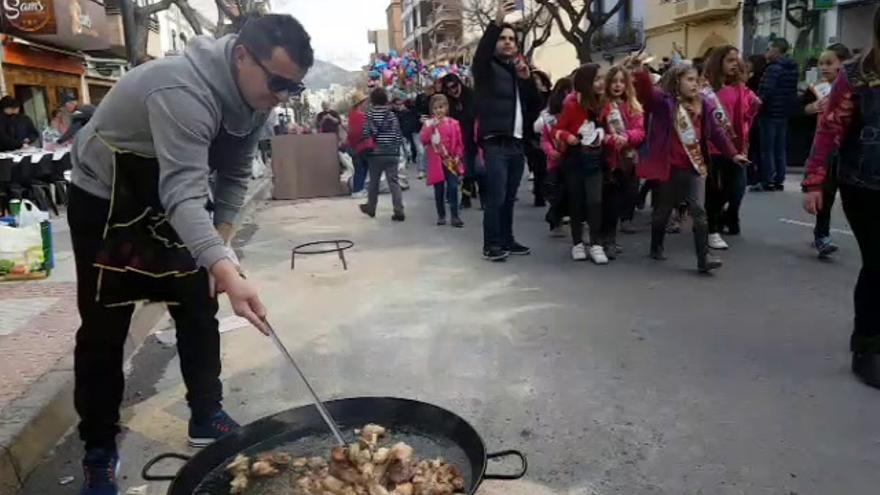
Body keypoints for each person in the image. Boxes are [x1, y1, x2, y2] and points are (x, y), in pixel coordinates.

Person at [67, 14, 313, 495]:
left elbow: (234, 175)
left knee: (199, 304)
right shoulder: (181, 87)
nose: (283, 96)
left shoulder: (256, 98)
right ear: (242, 55)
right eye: (278, 82)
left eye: (293, 88)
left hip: (173, 194)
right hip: (108, 197)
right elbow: (181, 192)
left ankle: (207, 413)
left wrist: (220, 260)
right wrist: (222, 263)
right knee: (103, 327)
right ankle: (98, 450)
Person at [803, 7, 880, 389]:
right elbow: (829, 130)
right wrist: (814, 182)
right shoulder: (856, 75)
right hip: (864, 186)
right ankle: (866, 348)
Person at [633, 58, 749, 273]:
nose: (695, 84)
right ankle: (656, 245)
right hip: (670, 167)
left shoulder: (704, 104)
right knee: (663, 211)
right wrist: (641, 72)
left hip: (695, 166)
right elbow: (647, 94)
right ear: (677, 81)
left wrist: (733, 155)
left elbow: (716, 133)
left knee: (699, 210)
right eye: (689, 79)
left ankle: (703, 258)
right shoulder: (665, 104)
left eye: (697, 80)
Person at [473, 0, 542, 262]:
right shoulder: (486, 69)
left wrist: (527, 81)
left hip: (516, 143)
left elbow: (535, 105)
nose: (508, 42)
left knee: (510, 197)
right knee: (497, 196)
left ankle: (507, 239)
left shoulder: (517, 71)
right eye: (502, 38)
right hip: (496, 142)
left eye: (512, 38)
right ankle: (491, 244)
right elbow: (481, 54)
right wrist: (496, 22)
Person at [702, 45, 761, 249]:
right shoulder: (707, 89)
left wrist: (754, 104)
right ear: (719, 63)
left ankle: (724, 216)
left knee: (736, 189)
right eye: (730, 60)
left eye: (737, 60)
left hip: (736, 147)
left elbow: (749, 111)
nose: (735, 64)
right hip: (712, 148)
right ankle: (712, 226)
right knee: (715, 190)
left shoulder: (741, 87)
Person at [552, 64, 608, 264]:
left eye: (602, 78)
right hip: (575, 159)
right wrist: (568, 137)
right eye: (596, 79)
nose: (602, 83)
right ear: (586, 82)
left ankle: (596, 243)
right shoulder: (572, 105)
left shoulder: (606, 105)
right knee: (576, 200)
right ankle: (577, 243)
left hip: (596, 159)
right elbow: (556, 130)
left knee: (595, 201)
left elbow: (613, 128)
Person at [802, 43, 851, 259]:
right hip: (824, 150)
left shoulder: (854, 88)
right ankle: (821, 235)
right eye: (821, 63)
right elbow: (800, 108)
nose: (824, 67)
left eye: (829, 63)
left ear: (842, 64)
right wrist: (813, 108)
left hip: (849, 149)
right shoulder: (817, 88)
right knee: (826, 193)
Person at [599, 65, 646, 257]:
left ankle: (610, 237)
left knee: (623, 200)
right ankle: (606, 240)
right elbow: (595, 131)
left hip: (627, 161)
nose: (618, 85)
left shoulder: (633, 106)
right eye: (614, 81)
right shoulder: (602, 104)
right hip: (608, 161)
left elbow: (640, 131)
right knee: (608, 203)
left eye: (621, 81)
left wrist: (627, 137)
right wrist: (610, 139)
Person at [756, 38, 799, 191]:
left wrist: (756, 104)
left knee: (767, 149)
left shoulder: (773, 68)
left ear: (776, 50)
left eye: (769, 49)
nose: (766, 52)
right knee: (780, 148)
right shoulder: (793, 67)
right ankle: (779, 178)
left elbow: (766, 90)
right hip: (784, 113)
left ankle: (767, 180)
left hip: (769, 113)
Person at [359, 87, 405, 221]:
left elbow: (366, 133)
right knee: (394, 182)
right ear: (385, 100)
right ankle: (399, 211)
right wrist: (396, 149)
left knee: (374, 182)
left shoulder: (369, 114)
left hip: (375, 154)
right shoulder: (391, 115)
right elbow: (398, 134)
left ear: (373, 100)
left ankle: (371, 208)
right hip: (391, 153)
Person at [534, 77, 572, 236]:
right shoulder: (548, 116)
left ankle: (556, 217)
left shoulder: (574, 113)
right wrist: (551, 152)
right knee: (558, 192)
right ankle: (554, 219)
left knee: (568, 192)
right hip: (555, 162)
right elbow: (543, 138)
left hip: (571, 159)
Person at [421, 94, 465, 227]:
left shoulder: (453, 123)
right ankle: (441, 215)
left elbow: (459, 142)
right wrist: (430, 127)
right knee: (439, 189)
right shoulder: (429, 124)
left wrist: (458, 154)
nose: (439, 110)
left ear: (446, 108)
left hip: (450, 160)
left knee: (453, 187)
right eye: (435, 108)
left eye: (441, 107)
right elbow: (423, 140)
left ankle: (455, 216)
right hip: (436, 162)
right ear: (432, 110)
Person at [442, 73, 484, 209]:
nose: (453, 90)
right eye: (449, 89)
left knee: (480, 172)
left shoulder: (471, 96)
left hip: (476, 139)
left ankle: (484, 199)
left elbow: (479, 117)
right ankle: (466, 198)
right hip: (460, 141)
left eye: (454, 86)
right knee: (466, 173)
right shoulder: (448, 102)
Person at [526, 70, 552, 207]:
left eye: (537, 78)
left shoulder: (551, 95)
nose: (535, 80)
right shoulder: (529, 96)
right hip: (534, 133)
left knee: (547, 166)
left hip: (549, 131)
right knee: (538, 165)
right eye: (532, 78)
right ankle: (540, 194)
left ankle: (544, 190)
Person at [346, 90, 371, 199]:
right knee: (361, 168)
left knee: (361, 168)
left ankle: (359, 189)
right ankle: (358, 190)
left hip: (355, 147)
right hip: (360, 147)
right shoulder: (360, 116)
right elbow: (357, 132)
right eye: (364, 102)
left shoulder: (353, 115)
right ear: (360, 103)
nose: (366, 103)